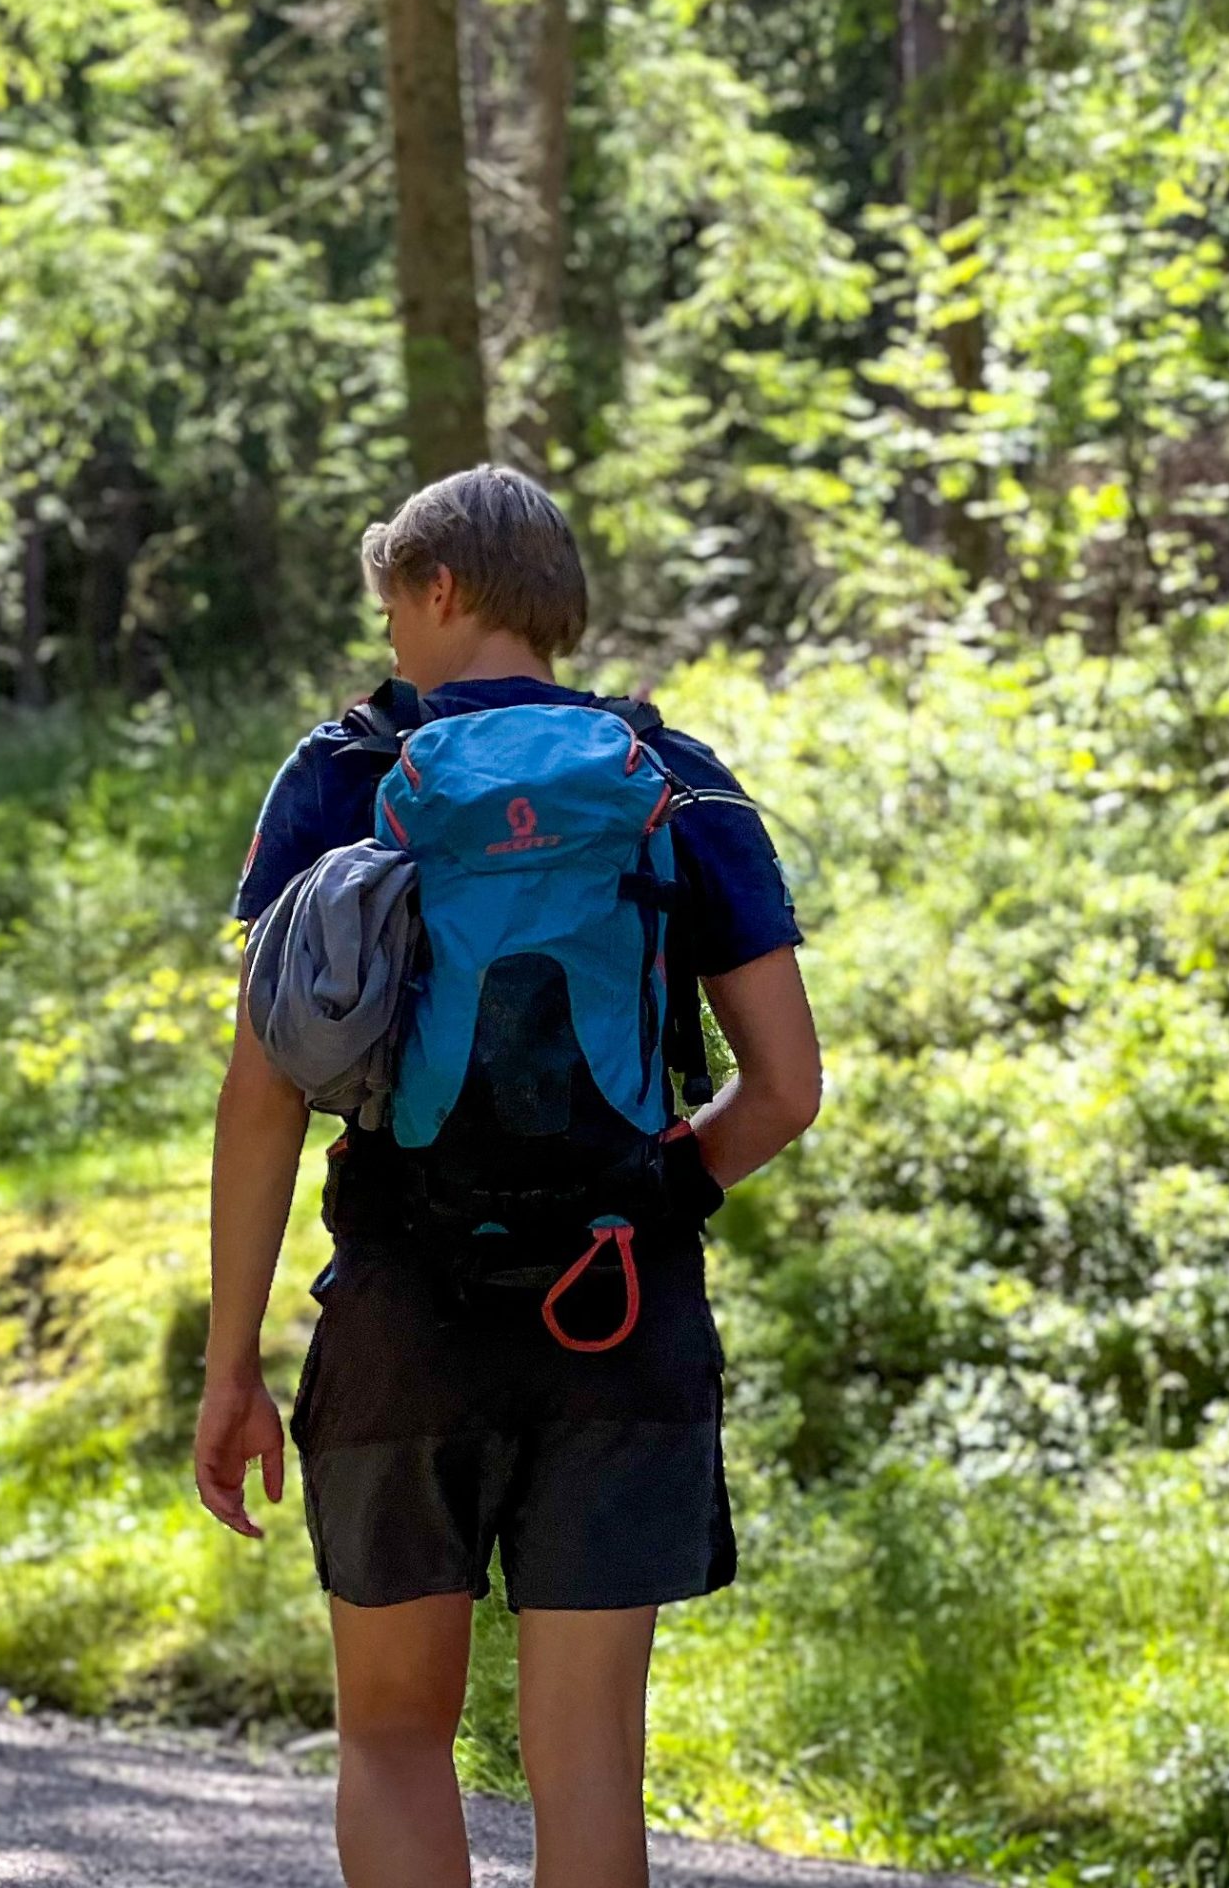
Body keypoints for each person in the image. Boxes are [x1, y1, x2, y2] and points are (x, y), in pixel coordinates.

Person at [194, 467, 822, 1888]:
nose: (393, 645)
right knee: (588, 1759)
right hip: (620, 1317)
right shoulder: (676, 781)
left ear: (440, 590)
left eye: (394, 610)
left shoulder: (348, 771)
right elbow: (785, 1089)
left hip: (404, 1316)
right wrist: (647, 1199)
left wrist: (234, 1364)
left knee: (397, 1737)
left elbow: (262, 1099)